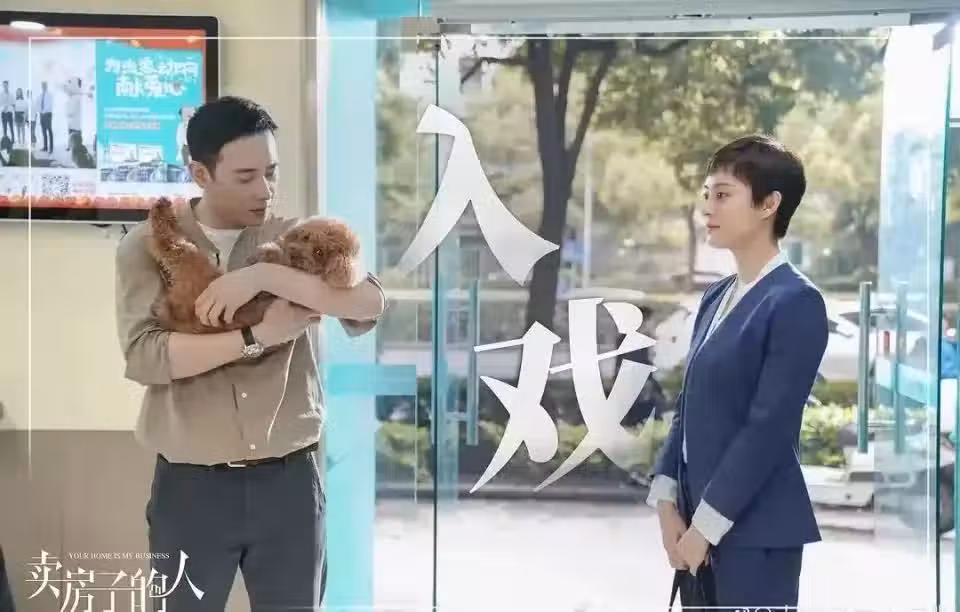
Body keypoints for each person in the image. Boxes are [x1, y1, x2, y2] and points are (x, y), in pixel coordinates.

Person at [114, 95, 386, 612]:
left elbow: (369, 303)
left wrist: (263, 276)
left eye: (271, 172)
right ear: (200, 173)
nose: (265, 189)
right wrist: (256, 336)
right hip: (191, 488)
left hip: (289, 485)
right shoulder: (146, 246)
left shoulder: (294, 240)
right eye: (246, 177)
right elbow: (145, 356)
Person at [647, 135, 828, 609]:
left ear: (769, 204)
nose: (708, 206)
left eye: (723, 195)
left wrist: (706, 528)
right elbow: (688, 407)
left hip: (754, 537)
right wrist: (666, 500)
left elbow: (768, 429)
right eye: (707, 193)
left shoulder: (796, 301)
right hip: (693, 529)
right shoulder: (716, 296)